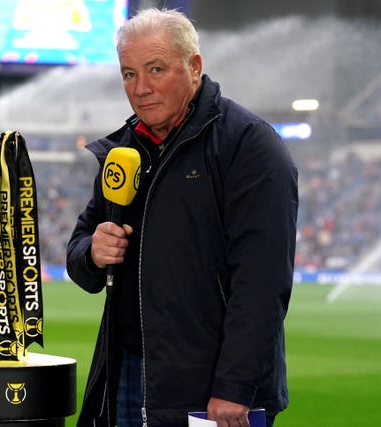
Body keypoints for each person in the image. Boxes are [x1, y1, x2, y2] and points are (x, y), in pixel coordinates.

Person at [66, 8, 298, 427]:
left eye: (156, 69)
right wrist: (91, 252)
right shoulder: (123, 149)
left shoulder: (248, 145)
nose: (141, 88)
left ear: (194, 67)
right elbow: (82, 252)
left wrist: (234, 386)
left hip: (211, 388)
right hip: (126, 375)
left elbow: (262, 282)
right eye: (129, 74)